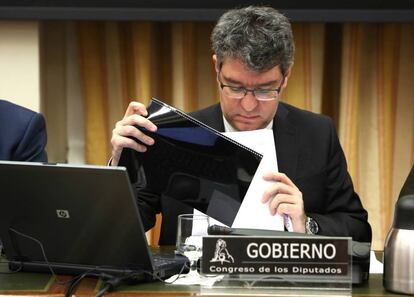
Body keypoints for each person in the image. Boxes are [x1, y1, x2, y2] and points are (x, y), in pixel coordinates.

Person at [110, 6, 372, 244]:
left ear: (286, 75)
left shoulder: (316, 134)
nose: (248, 106)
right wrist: (119, 165)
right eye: (235, 87)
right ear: (217, 68)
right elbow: (123, 225)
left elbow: (358, 228)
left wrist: (306, 225)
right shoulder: (177, 134)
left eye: (265, 90)